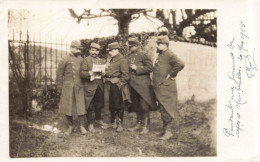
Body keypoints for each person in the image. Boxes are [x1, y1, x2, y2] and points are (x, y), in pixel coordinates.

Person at [152, 35, 185, 140]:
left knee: (167, 108)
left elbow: (180, 64)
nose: (157, 45)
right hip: (161, 86)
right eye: (157, 43)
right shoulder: (162, 54)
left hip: (166, 87)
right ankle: (164, 130)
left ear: (165, 45)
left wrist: (172, 75)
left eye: (159, 44)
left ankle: (168, 132)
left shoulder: (169, 54)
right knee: (163, 108)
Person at [126, 37, 157, 134]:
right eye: (129, 47)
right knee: (136, 105)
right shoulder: (130, 56)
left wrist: (137, 68)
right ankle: (138, 123)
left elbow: (150, 68)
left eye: (131, 47)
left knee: (144, 106)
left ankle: (145, 126)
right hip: (133, 85)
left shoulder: (144, 55)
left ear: (136, 46)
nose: (130, 48)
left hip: (143, 85)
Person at [56, 40, 87, 135]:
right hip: (68, 87)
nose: (78, 50)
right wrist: (59, 88)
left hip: (79, 87)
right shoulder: (64, 59)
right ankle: (70, 125)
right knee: (67, 107)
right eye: (76, 48)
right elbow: (59, 75)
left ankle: (82, 126)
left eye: (79, 49)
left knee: (81, 107)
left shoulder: (82, 60)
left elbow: (84, 73)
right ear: (71, 48)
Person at [80, 42, 109, 133]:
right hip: (89, 86)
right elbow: (82, 73)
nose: (94, 52)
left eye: (96, 51)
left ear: (98, 52)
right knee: (90, 105)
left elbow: (105, 72)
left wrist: (104, 73)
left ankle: (98, 119)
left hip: (99, 85)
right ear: (89, 51)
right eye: (92, 50)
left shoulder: (101, 60)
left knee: (99, 104)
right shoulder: (86, 60)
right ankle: (90, 123)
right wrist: (89, 73)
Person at [103, 42, 129, 132]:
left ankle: (120, 124)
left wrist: (119, 84)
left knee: (119, 105)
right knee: (111, 104)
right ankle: (113, 123)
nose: (109, 52)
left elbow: (125, 76)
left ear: (116, 50)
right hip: (110, 84)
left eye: (111, 51)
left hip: (117, 86)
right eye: (109, 51)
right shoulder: (111, 59)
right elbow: (110, 71)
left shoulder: (122, 60)